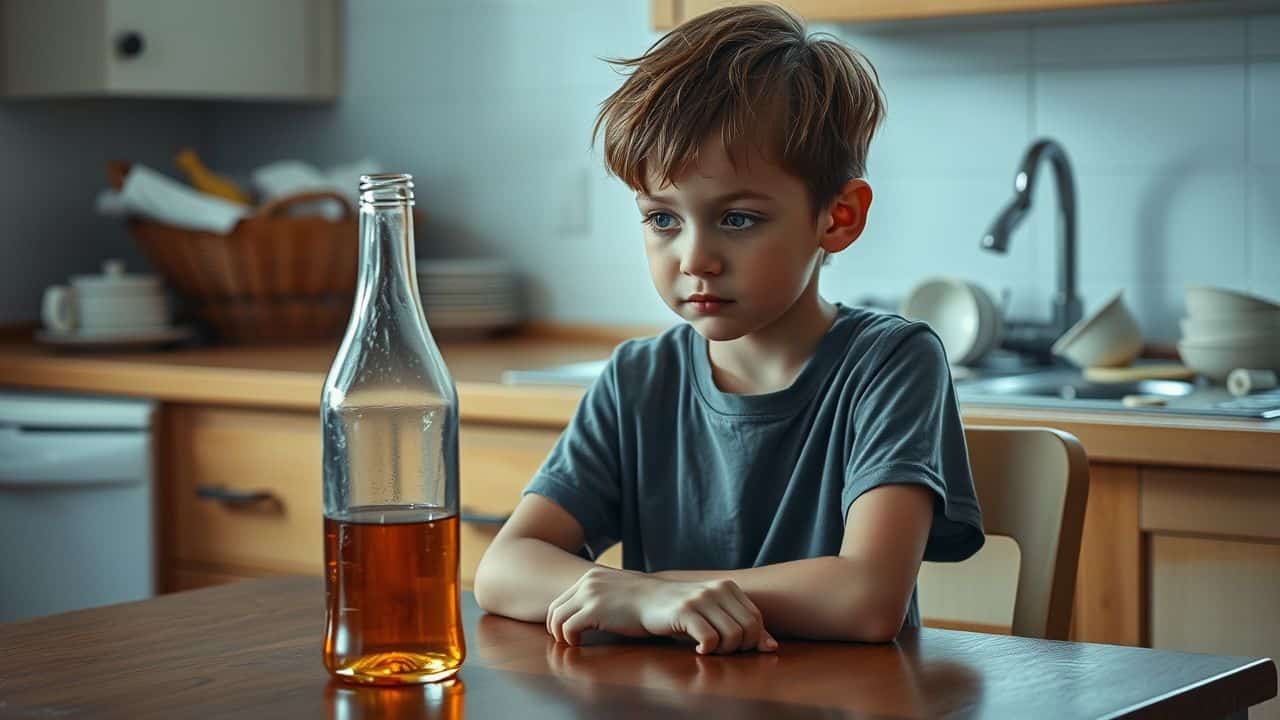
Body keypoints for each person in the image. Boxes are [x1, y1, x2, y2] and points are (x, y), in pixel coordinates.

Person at [474, 2, 984, 655]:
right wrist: (649, 598)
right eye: (662, 219)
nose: (693, 259)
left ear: (838, 218)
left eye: (737, 219)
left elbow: (866, 598)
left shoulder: (891, 363)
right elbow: (503, 567)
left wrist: (648, 592)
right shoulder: (637, 378)